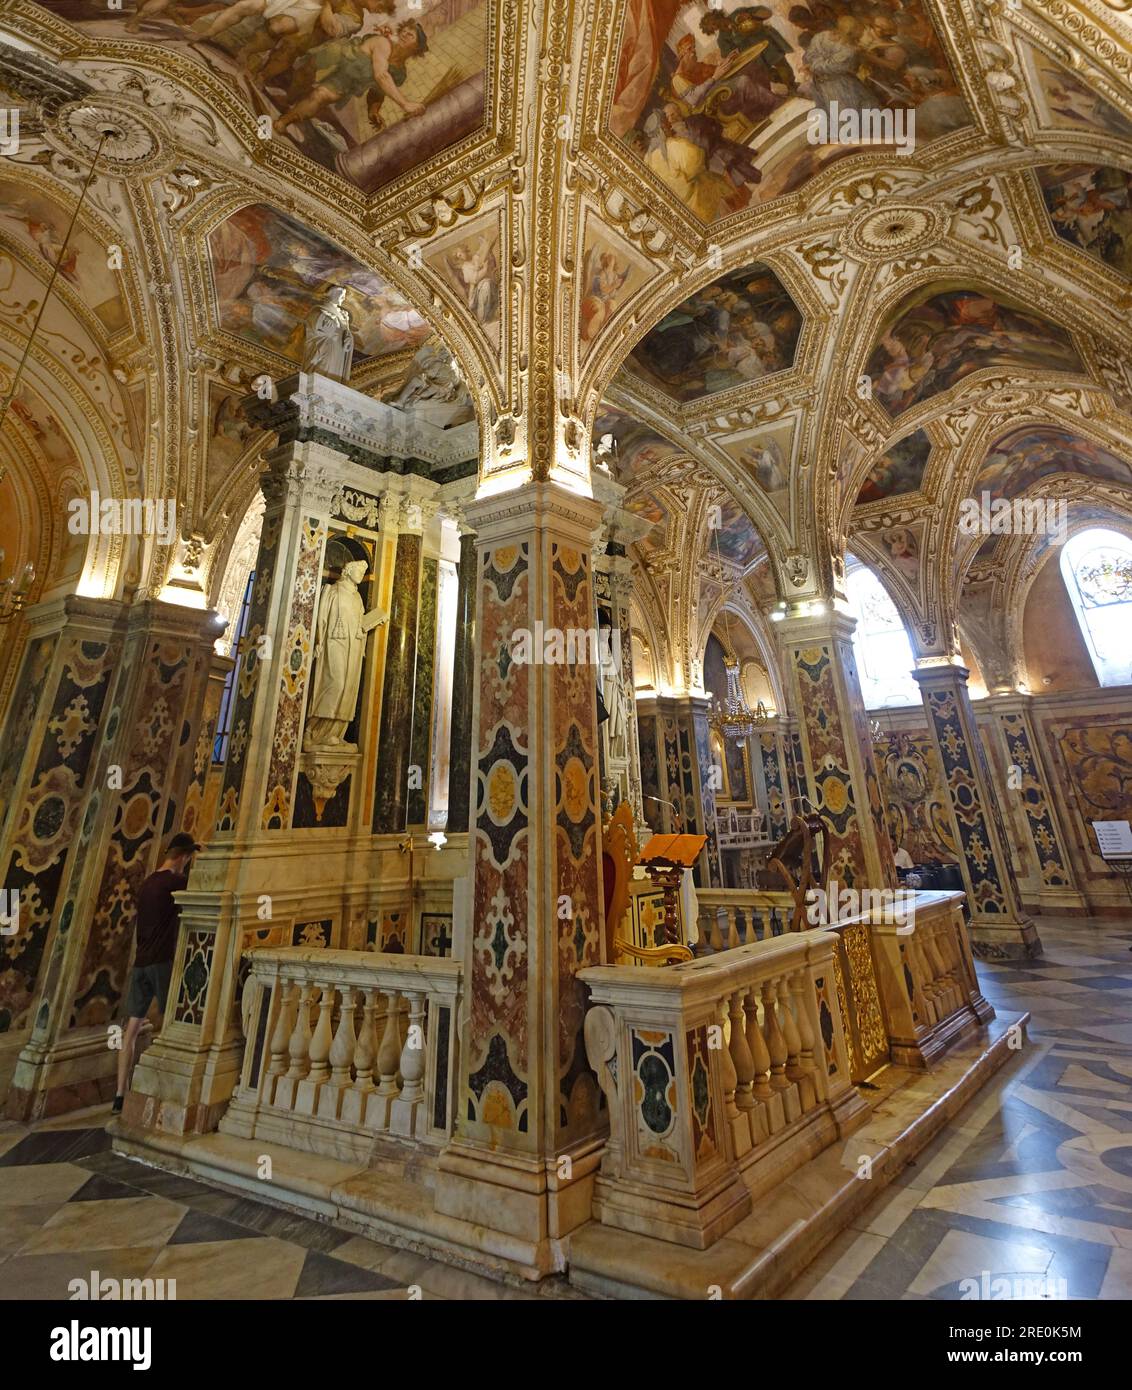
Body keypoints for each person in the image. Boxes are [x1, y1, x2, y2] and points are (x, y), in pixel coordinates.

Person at [112, 832, 200, 1115]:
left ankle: (119, 1095)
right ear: (184, 857)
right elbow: (209, 888)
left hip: (141, 962)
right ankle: (164, 1093)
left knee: (131, 1032)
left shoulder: (149, 881)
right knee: (171, 1027)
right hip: (162, 963)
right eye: (189, 858)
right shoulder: (176, 883)